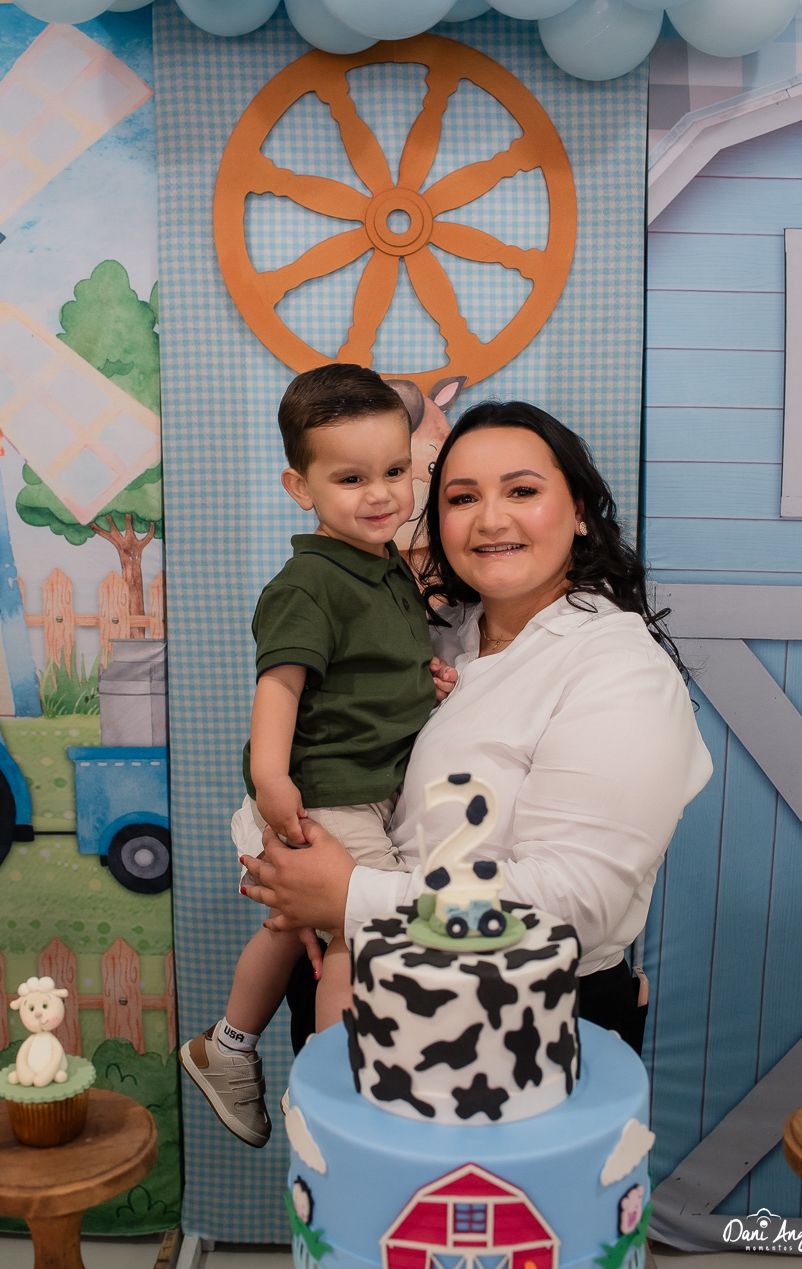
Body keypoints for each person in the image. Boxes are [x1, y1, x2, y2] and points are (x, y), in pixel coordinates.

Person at [240, 400, 714, 1055]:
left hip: (515, 1027)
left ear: (579, 510)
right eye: (462, 498)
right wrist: (293, 878)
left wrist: (347, 898)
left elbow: (578, 903)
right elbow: (307, 764)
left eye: (522, 491)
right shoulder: (428, 638)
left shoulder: (618, 670)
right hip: (347, 995)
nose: (491, 519)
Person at [179, 364, 456, 1148]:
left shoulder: (386, 568)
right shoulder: (309, 582)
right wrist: (271, 778)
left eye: (395, 471)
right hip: (328, 788)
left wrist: (425, 681)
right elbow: (282, 686)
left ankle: (229, 1045)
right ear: (300, 488)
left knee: (288, 925)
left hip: (369, 786)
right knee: (364, 932)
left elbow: (370, 670)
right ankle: (340, 1105)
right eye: (351, 478)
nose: (382, 494)